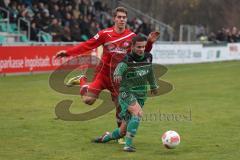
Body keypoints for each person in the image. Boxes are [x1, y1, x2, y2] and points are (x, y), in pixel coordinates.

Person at [55, 7, 159, 144]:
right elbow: (88, 45)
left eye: (124, 17)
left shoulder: (132, 36)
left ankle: (120, 136)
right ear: (114, 18)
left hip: (119, 78)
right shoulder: (105, 34)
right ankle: (82, 80)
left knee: (121, 108)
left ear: (126, 20)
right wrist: (68, 53)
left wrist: (150, 42)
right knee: (88, 101)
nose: (122, 19)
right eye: (119, 17)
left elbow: (142, 52)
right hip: (103, 74)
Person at [92, 35, 158, 152]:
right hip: (126, 93)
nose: (141, 49)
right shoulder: (128, 58)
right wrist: (117, 73)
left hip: (141, 95)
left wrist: (153, 85)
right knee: (137, 114)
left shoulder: (148, 57)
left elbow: (150, 71)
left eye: (143, 47)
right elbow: (121, 66)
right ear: (132, 47)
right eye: (138, 47)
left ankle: (105, 138)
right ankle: (128, 145)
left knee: (122, 132)